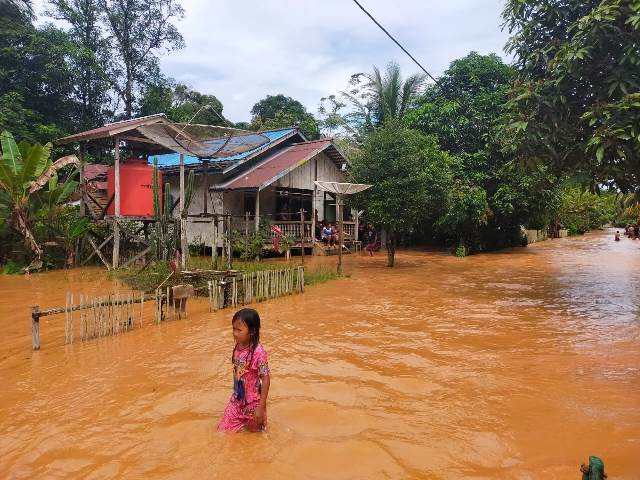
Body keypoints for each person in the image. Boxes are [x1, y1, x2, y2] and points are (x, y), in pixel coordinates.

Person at [218, 308, 270, 432]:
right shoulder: (237, 346)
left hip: (253, 405)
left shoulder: (259, 352)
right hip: (236, 401)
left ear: (252, 331)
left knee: (257, 439)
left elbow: (266, 378)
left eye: (239, 330)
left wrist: (261, 407)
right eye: (233, 329)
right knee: (222, 432)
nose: (235, 333)